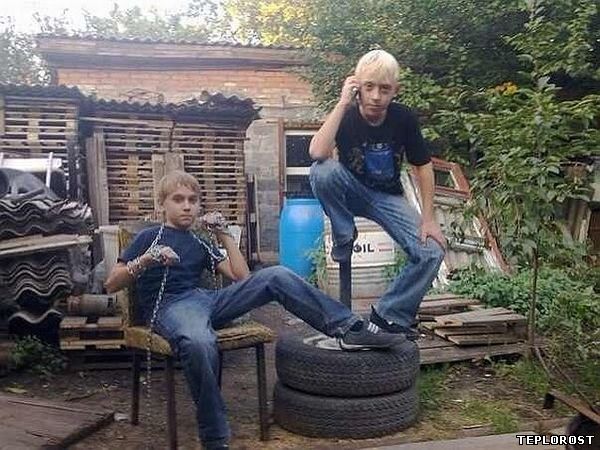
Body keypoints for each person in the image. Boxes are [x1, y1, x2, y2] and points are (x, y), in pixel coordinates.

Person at [104, 170, 403, 450]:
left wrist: (223, 234)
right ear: (162, 204)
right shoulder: (147, 238)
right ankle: (215, 436)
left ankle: (349, 328)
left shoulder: (199, 241)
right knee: (199, 341)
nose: (187, 206)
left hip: (206, 300)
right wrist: (146, 260)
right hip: (171, 306)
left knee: (276, 275)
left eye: (192, 200)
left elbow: (242, 277)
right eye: (178, 200)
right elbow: (111, 283)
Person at [309, 49, 446, 340]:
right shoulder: (345, 114)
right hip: (350, 189)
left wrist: (429, 219)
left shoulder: (403, 118)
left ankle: (389, 315)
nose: (375, 96)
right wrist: (342, 103)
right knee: (322, 171)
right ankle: (344, 234)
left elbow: (423, 167)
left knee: (432, 251)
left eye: (384, 89)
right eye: (368, 87)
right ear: (356, 86)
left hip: (387, 198)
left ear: (396, 90)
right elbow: (317, 152)